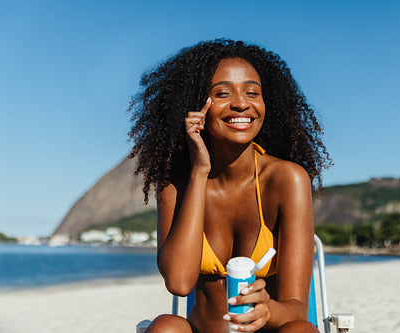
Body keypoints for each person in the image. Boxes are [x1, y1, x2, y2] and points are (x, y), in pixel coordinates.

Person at [129, 39, 331, 333]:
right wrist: (199, 172)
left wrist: (268, 308)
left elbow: (296, 309)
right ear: (196, 107)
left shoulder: (287, 180)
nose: (241, 103)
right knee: (166, 327)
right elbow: (179, 282)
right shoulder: (176, 183)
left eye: (253, 93)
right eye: (222, 93)